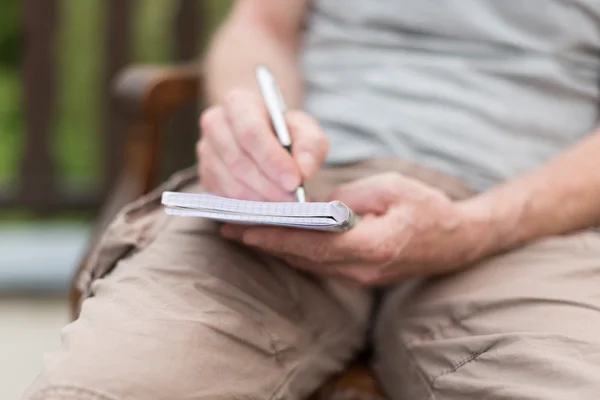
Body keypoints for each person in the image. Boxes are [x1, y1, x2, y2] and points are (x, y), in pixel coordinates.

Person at [24, 0, 600, 399]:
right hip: (300, 195)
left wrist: (480, 226)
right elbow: (261, 26)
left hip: (525, 221)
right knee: (104, 385)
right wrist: (250, 126)